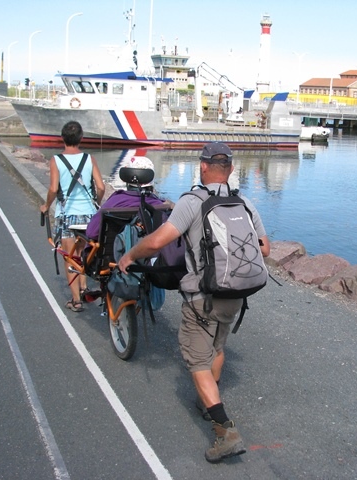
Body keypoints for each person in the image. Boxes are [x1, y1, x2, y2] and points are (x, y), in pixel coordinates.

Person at [118, 142, 270, 463]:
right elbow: (265, 249)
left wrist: (131, 255)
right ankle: (207, 401)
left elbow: (159, 240)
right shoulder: (244, 202)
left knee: (196, 360)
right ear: (229, 168)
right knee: (216, 346)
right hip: (236, 294)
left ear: (202, 167)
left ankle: (224, 431)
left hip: (202, 297)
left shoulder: (192, 201)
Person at [40, 121, 105, 312]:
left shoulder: (56, 161)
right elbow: (101, 187)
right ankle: (84, 287)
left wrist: (46, 205)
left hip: (67, 213)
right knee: (83, 254)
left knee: (70, 258)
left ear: (63, 138)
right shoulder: (89, 159)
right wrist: (96, 202)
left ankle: (76, 300)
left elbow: (53, 188)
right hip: (88, 214)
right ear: (81, 138)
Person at [85, 156, 172, 240]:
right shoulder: (160, 205)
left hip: (114, 253)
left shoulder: (115, 201)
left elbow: (91, 233)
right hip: (149, 254)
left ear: (127, 177)